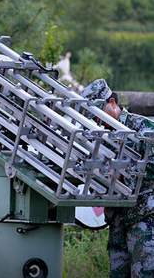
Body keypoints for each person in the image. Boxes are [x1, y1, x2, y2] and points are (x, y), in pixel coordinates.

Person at [82, 79, 154, 278]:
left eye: (98, 113)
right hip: (117, 220)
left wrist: (125, 171)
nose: (96, 120)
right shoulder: (99, 135)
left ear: (112, 103)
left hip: (143, 221)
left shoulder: (142, 127)